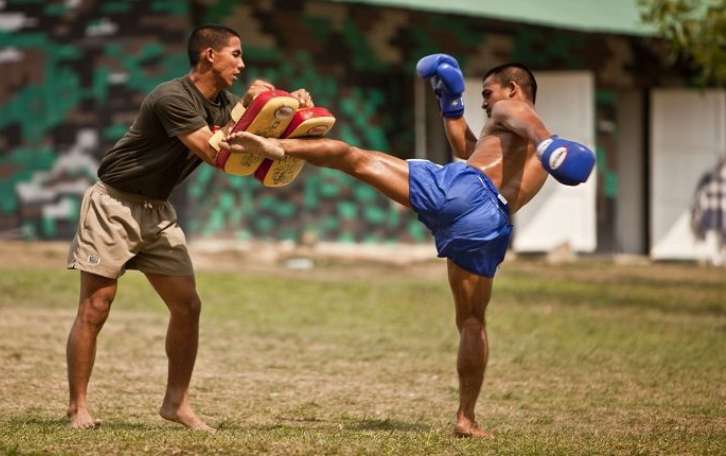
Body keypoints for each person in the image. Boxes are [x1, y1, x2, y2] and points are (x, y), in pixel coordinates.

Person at [220, 56, 595, 438]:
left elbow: (521, 119)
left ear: (513, 89)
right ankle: (466, 418)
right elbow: (472, 150)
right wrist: (451, 107)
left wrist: (547, 142)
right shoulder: (525, 149)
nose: (485, 102)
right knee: (472, 321)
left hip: (462, 190)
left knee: (356, 159)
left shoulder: (514, 110)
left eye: (486, 92)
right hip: (488, 223)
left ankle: (276, 146)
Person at [65, 24, 310, 430]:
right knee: (96, 307)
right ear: (209, 56)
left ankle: (176, 405)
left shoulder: (224, 103)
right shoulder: (171, 97)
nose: (242, 63)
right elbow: (215, 151)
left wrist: (287, 108)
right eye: (236, 54)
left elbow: (249, 139)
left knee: (188, 306)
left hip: (158, 212)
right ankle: (79, 407)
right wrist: (257, 112)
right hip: (114, 205)